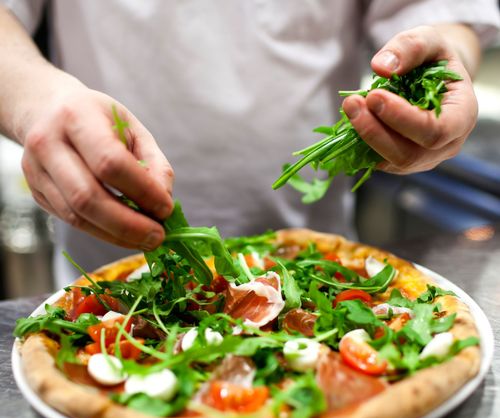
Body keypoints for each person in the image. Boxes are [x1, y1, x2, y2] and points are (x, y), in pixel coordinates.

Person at [0, 0, 498, 287]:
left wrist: (439, 58)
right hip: (110, 275)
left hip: (319, 272)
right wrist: (33, 100)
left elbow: (435, 10)